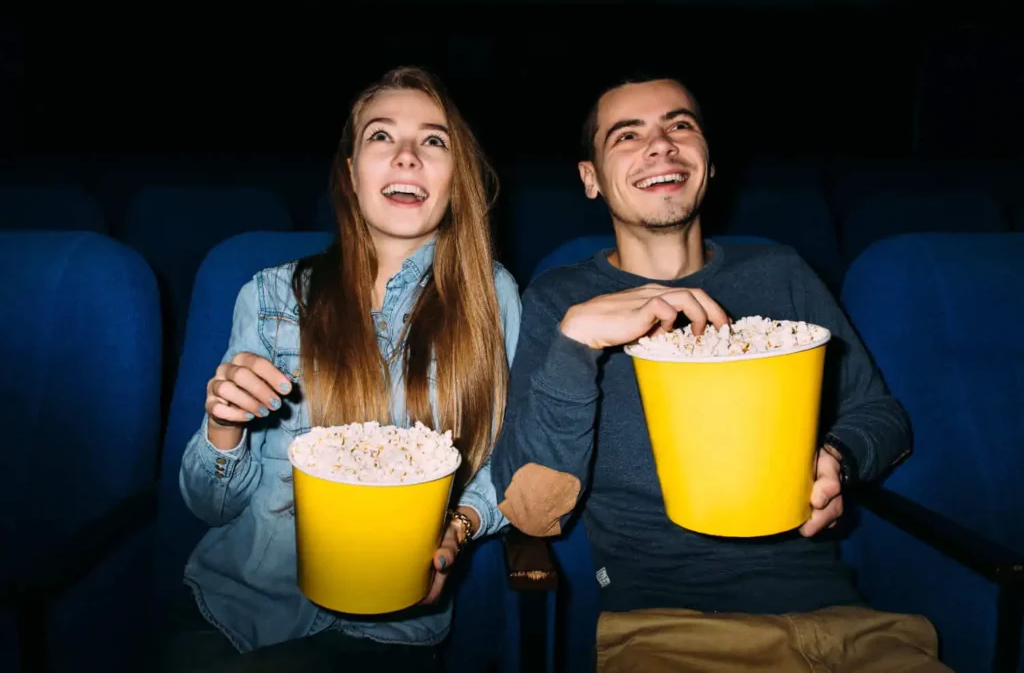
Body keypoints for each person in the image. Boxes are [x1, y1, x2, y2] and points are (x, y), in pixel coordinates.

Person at [490, 73, 951, 672]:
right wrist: (576, 343)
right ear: (591, 178)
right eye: (627, 135)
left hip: (848, 625)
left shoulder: (782, 271)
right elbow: (531, 510)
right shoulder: (562, 302)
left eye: (679, 125)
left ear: (708, 162)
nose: (660, 145)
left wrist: (838, 458)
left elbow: (881, 415)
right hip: (668, 629)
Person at [163, 66, 521, 673]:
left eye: (433, 141)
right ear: (351, 173)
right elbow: (211, 508)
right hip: (236, 608)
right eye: (382, 136)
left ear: (457, 176)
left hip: (391, 630)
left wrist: (461, 525)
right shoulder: (271, 295)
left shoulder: (493, 297)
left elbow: (513, 456)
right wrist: (223, 424)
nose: (406, 155)